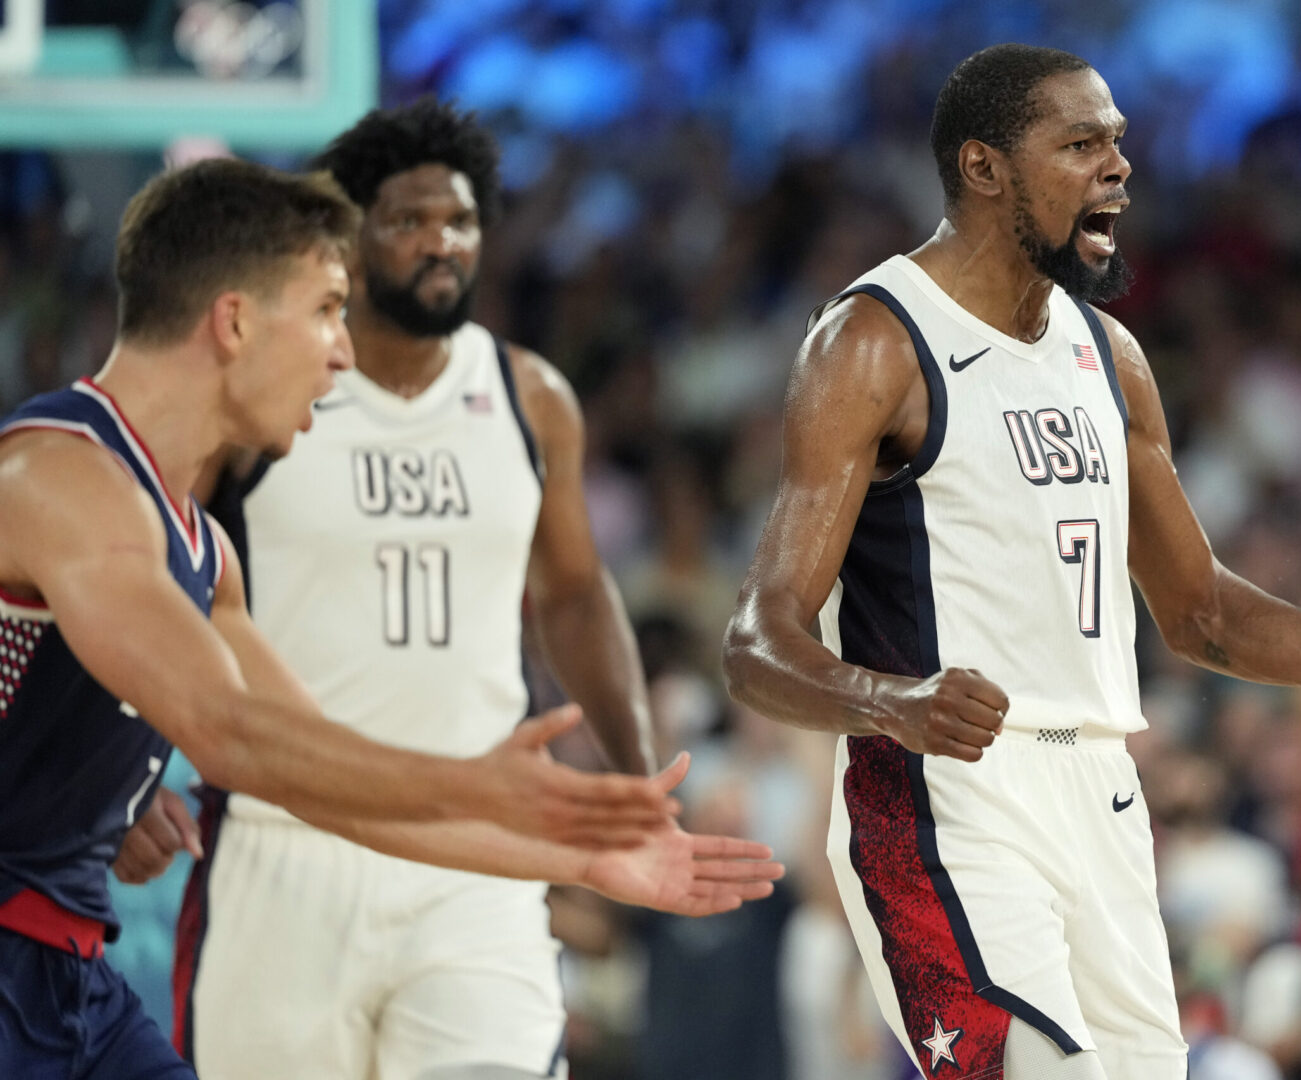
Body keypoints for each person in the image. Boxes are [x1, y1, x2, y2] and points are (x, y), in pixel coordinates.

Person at [722, 43, 1301, 1080]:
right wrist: (892, 702)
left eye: (1119, 144)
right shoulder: (875, 341)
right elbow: (756, 640)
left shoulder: (1110, 356)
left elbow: (1206, 616)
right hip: (941, 793)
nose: (1119, 168)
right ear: (984, 167)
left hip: (1100, 787)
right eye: (1082, 143)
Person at [0, 160, 777, 1079]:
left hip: (64, 978)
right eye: (328, 308)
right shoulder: (60, 477)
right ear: (236, 320)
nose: (342, 351)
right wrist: (477, 785)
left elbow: (315, 773)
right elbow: (234, 735)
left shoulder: (204, 550)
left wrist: (573, 856)